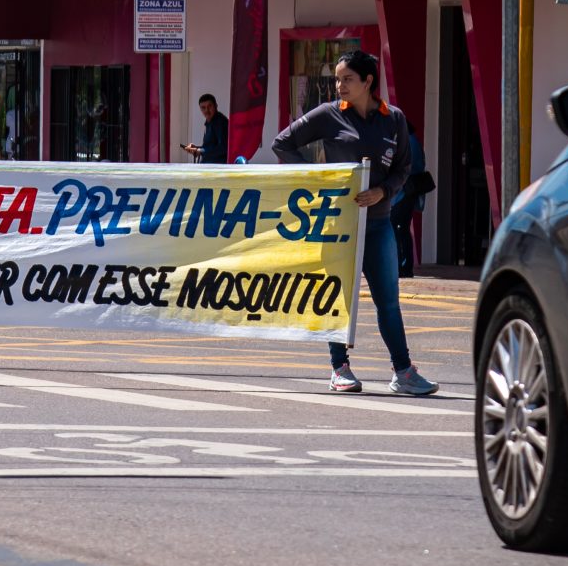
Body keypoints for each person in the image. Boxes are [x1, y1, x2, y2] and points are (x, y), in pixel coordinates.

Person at [268, 50, 437, 396]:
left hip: (378, 224)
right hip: (338, 227)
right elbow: (282, 143)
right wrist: (321, 180)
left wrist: (383, 191)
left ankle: (403, 372)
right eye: (337, 79)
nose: (339, 85)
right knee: (338, 299)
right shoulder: (329, 114)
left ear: (368, 82)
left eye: (347, 79)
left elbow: (404, 168)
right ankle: (339, 368)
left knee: (388, 300)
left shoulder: (395, 119)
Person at [392, 130, 430, 276]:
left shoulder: (407, 141)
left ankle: (403, 267)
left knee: (398, 229)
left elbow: (405, 168)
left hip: (403, 192)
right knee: (401, 229)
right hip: (406, 192)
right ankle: (403, 266)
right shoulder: (411, 140)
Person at [185, 93, 229, 164]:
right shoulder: (209, 122)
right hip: (209, 167)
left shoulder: (220, 122)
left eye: (209, 106)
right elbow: (211, 146)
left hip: (217, 169)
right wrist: (196, 148)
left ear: (216, 106)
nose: (206, 110)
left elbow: (224, 148)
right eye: (203, 107)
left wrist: (200, 151)